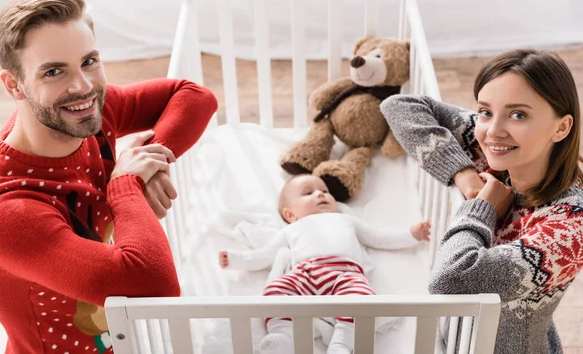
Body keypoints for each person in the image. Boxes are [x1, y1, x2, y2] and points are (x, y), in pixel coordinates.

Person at [0, 0, 218, 353]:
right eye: (54, 71)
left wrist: (148, 164)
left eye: (89, 61)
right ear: (14, 84)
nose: (83, 87)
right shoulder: (2, 208)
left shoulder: (89, 115)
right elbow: (155, 283)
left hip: (121, 337)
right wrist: (127, 185)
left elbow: (194, 96)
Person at [380, 49, 583, 354]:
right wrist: (463, 175)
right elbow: (399, 106)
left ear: (561, 127)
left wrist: (481, 207)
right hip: (460, 336)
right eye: (486, 111)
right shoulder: (491, 147)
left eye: (519, 114)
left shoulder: (570, 225)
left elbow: (449, 280)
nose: (493, 131)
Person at [218, 174, 431, 354]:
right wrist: (236, 259)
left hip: (344, 274)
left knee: (362, 299)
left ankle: (341, 343)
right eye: (308, 193)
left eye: (324, 190)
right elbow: (266, 255)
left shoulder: (345, 219)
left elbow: (378, 236)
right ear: (290, 214)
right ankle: (283, 334)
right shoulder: (293, 229)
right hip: (305, 274)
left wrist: (410, 235)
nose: (320, 194)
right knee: (275, 290)